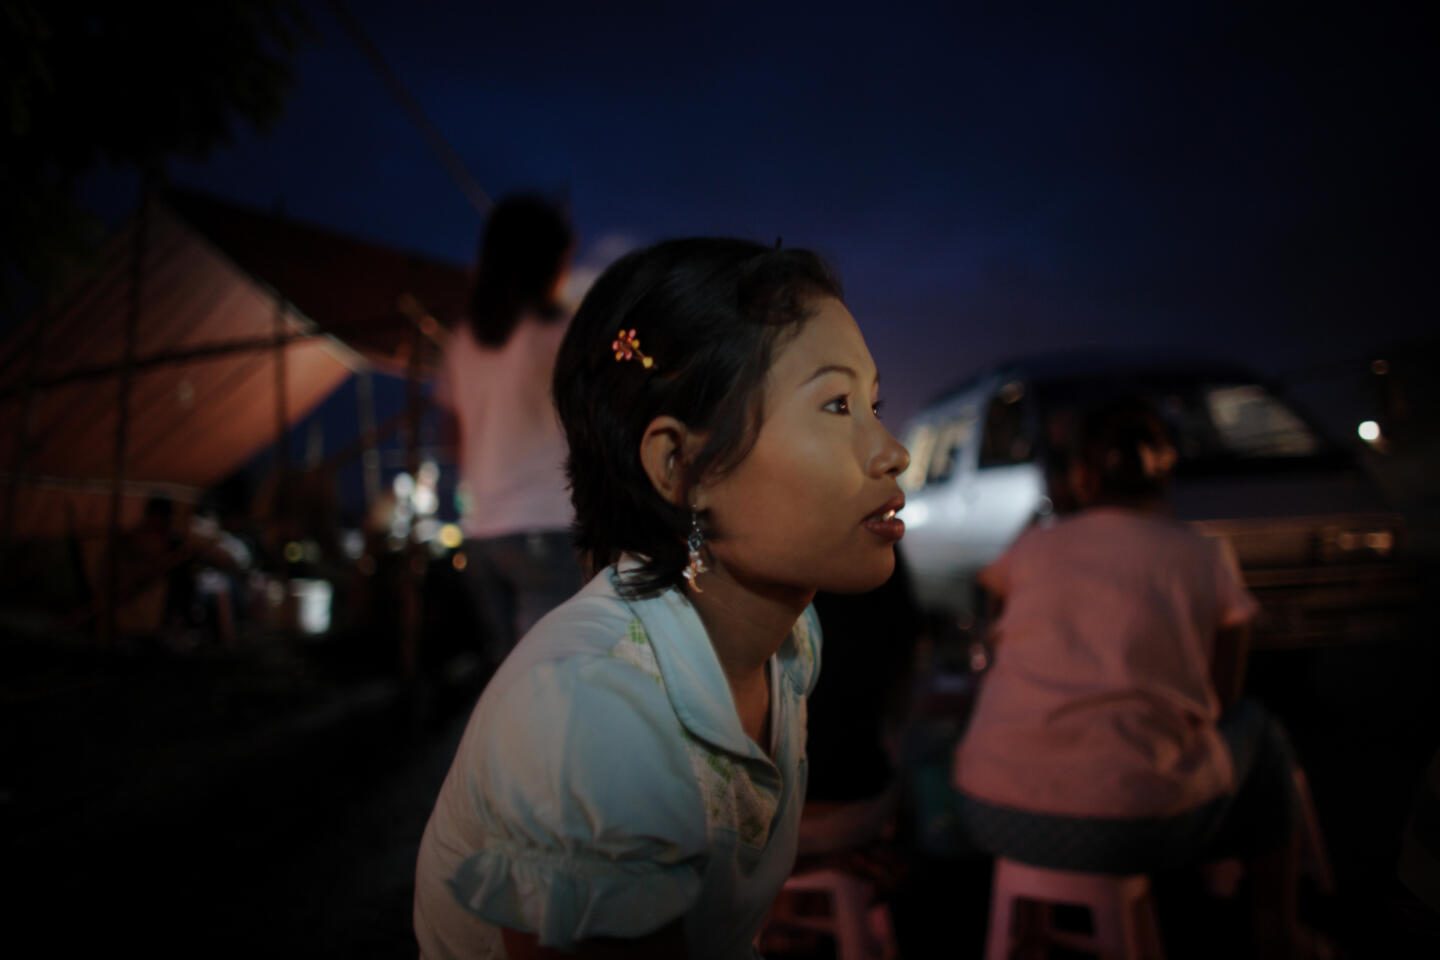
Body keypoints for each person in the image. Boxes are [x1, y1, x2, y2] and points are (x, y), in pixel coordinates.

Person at [414, 237, 910, 959]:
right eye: (836, 405)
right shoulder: (596, 712)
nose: (892, 449)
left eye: (874, 403)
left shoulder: (790, 642)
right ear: (680, 466)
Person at [950, 397, 1332, 959]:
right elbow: (1223, 695)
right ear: (1166, 472)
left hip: (988, 810)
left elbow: (996, 637)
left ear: (1082, 474)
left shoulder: (1033, 547)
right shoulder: (1203, 555)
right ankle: (1274, 926)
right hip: (1131, 827)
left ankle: (1031, 932)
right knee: (1262, 734)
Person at [435, 194, 584, 674]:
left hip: (484, 536)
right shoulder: (559, 334)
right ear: (546, 262)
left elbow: (451, 439)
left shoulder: (462, 342)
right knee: (551, 689)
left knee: (509, 683)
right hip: (549, 528)